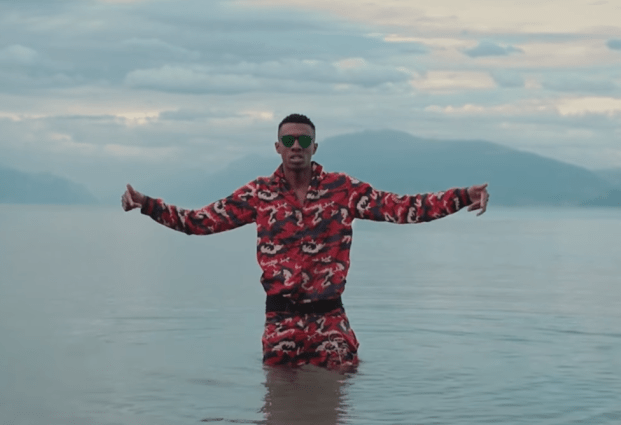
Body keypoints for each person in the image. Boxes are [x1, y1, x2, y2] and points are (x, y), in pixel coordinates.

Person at [121, 113, 489, 373]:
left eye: (303, 140)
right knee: (277, 408)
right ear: (277, 147)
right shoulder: (259, 194)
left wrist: (462, 196)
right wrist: (147, 204)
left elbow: (403, 208)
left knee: (336, 406)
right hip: (280, 320)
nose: (295, 145)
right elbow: (198, 223)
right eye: (288, 140)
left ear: (314, 146)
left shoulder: (343, 190)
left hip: (330, 319)